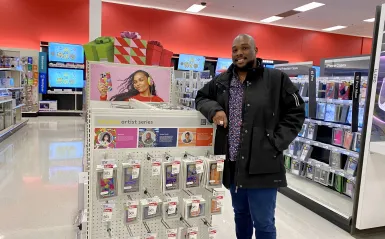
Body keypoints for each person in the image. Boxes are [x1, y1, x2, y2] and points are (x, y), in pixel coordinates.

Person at [195, 34, 305, 239]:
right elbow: (201, 97)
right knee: (241, 215)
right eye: (235, 49)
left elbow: (296, 111)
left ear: (256, 50)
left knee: (263, 222)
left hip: (263, 165)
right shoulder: (222, 81)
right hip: (233, 164)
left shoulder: (276, 79)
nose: (239, 53)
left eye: (245, 48)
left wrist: (276, 142)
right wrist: (214, 110)